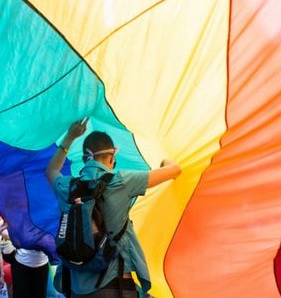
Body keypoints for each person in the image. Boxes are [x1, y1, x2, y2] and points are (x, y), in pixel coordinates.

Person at [45, 119, 182, 297]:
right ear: (111, 158)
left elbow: (51, 171)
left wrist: (69, 138)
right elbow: (175, 169)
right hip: (115, 285)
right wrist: (164, 161)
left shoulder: (67, 187)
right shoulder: (122, 181)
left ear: (86, 158)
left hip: (75, 289)